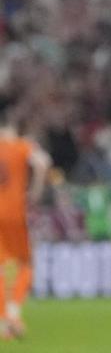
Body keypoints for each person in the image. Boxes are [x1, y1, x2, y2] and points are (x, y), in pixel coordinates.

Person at [0, 111, 51, 340]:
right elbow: (43, 163)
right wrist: (36, 190)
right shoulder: (22, 145)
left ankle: (2, 322)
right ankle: (12, 313)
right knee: (25, 263)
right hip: (14, 213)